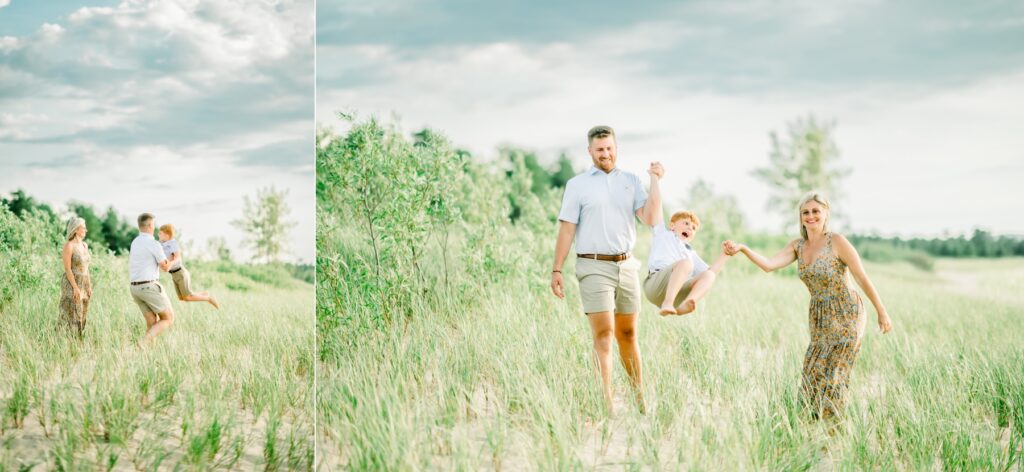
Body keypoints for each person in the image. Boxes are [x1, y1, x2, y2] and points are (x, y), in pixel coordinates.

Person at [724, 192, 893, 419]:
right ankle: (811, 428)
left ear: (825, 214)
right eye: (806, 212)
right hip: (819, 317)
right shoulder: (798, 246)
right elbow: (769, 265)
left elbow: (861, 277)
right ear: (801, 217)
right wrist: (743, 248)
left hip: (847, 311)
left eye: (816, 211)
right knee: (812, 373)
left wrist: (881, 312)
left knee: (835, 373)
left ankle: (834, 431)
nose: (811, 216)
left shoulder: (837, 241)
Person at [550, 125, 663, 414]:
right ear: (590, 151)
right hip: (593, 264)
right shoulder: (577, 185)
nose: (606, 153)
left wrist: (655, 181)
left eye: (610, 148)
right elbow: (567, 228)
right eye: (600, 149)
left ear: (616, 148)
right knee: (604, 334)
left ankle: (640, 401)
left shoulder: (632, 181)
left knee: (628, 335)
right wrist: (557, 269)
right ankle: (607, 403)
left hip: (626, 265)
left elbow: (651, 217)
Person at [643, 210, 730, 316]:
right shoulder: (663, 233)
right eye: (686, 223)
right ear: (672, 225)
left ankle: (686, 303)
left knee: (709, 275)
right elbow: (655, 206)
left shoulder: (690, 253)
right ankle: (668, 303)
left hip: (677, 292)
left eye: (693, 228)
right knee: (686, 264)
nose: (690, 228)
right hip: (656, 285)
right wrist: (655, 192)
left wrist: (725, 254)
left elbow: (711, 272)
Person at [128, 213, 175, 345]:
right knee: (169, 318)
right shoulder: (153, 243)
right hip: (148, 287)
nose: (154, 226)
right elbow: (165, 267)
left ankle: (147, 354)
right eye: (153, 224)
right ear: (149, 225)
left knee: (151, 323)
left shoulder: (135, 242)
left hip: (135, 288)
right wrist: (173, 260)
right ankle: (143, 343)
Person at [158, 224, 219, 309]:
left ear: (167, 235)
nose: (158, 235)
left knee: (187, 297)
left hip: (180, 273)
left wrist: (170, 264)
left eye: (160, 233)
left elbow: (178, 257)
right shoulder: (162, 244)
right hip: (174, 274)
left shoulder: (173, 243)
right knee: (181, 298)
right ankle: (205, 294)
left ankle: (209, 298)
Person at [59, 216, 92, 339]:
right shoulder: (69, 246)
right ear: (76, 229)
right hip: (72, 282)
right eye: (83, 228)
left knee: (83, 312)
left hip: (84, 282)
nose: (86, 230)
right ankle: (65, 338)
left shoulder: (84, 245)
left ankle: (79, 339)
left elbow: (86, 268)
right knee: (72, 311)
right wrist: (75, 287)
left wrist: (89, 285)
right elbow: (67, 269)